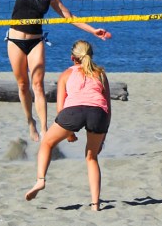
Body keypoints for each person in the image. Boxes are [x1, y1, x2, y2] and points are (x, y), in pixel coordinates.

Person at [7, 0, 111, 142]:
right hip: (15, 39)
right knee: (22, 84)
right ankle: (30, 123)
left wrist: (94, 30)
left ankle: (45, 130)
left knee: (37, 85)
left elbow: (69, 16)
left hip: (36, 41)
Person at [24, 40, 111, 211]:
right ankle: (95, 205)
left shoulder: (65, 74)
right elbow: (108, 107)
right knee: (92, 157)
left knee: (47, 142)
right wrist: (103, 136)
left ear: (72, 58)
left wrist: (69, 132)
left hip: (73, 112)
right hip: (98, 114)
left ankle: (40, 180)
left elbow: (61, 108)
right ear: (90, 56)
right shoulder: (101, 74)